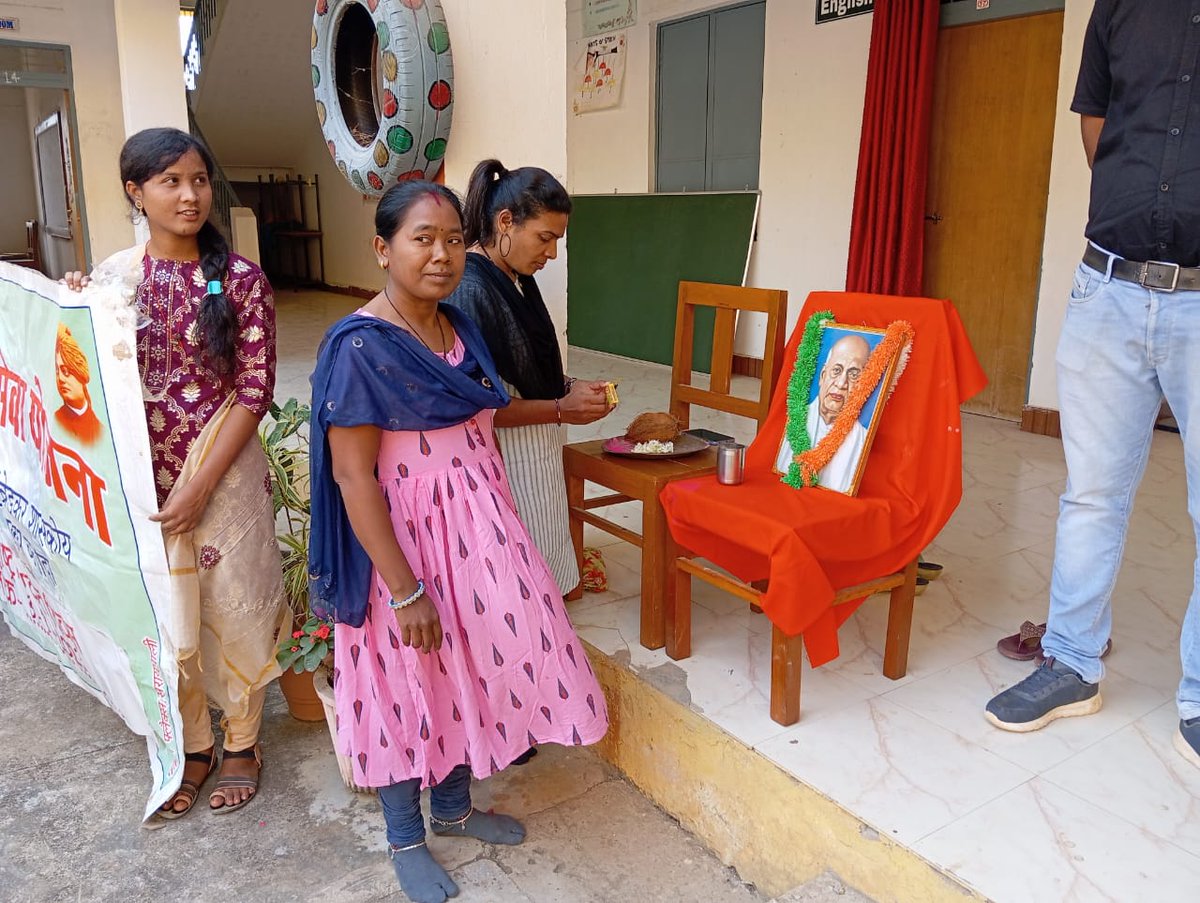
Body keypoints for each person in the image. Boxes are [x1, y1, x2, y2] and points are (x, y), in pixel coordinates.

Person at [308, 181, 609, 903]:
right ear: (382, 249)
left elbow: (484, 411)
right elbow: (354, 478)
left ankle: (455, 805)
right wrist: (405, 587)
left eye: (450, 238)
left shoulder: (457, 330)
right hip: (402, 546)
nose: (439, 254)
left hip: (476, 532)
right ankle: (406, 835)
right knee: (403, 682)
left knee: (464, 664)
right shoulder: (361, 348)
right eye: (421, 238)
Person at [985, 2, 1200, 770]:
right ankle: (1071, 665)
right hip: (1108, 286)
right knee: (1091, 493)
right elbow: (1096, 125)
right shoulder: (1120, 6)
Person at [63, 127, 287, 816]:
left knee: (234, 601)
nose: (190, 195)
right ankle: (191, 743)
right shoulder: (114, 279)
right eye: (170, 182)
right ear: (137, 191)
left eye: (198, 180)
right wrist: (77, 303)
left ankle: (243, 741)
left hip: (220, 480)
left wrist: (197, 486)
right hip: (144, 489)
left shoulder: (241, 280)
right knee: (166, 613)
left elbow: (254, 391)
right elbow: (82, 373)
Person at [445, 159, 613, 596]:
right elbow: (476, 407)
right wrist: (560, 409)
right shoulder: (472, 288)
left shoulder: (515, 276)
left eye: (556, 240)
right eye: (545, 238)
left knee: (554, 576)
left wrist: (569, 387)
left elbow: (529, 363)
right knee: (527, 585)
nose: (551, 253)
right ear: (505, 222)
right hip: (504, 453)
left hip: (536, 444)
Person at [774, 333, 870, 493]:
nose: (841, 384)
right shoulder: (797, 420)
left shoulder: (861, 439)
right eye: (837, 370)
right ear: (822, 376)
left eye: (853, 375)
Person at [53, 323, 103, 445]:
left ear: (80, 372)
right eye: (57, 371)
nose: (60, 378)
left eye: (65, 371)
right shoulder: (55, 420)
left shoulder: (99, 429)